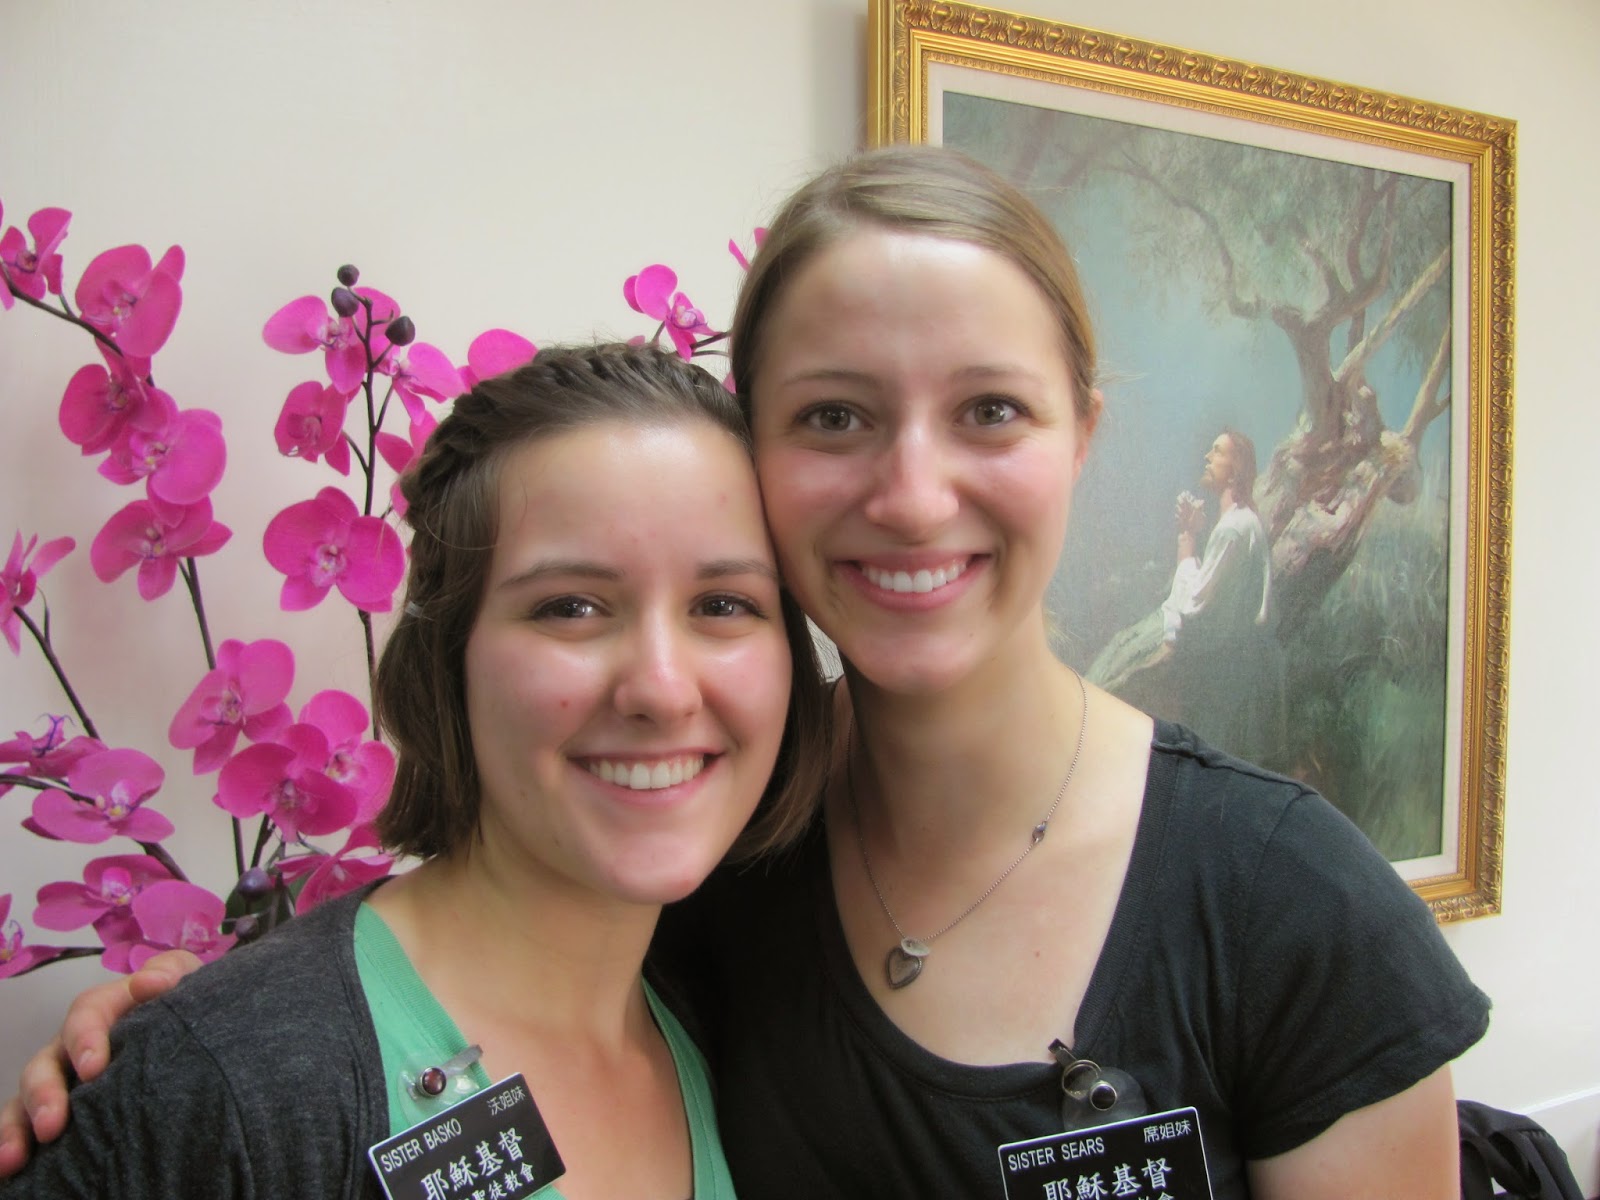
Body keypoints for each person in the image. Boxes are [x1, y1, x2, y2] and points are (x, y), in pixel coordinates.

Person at [1, 147, 1488, 1199]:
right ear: (756, 451)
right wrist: (201, 1063)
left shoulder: (1289, 909)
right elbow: (418, 999)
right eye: (834, 417)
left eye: (989, 410)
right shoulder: (708, 873)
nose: (912, 493)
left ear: (1083, 436)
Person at [0, 342, 830, 1198]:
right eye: (571, 607)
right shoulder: (230, 1087)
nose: (661, 687)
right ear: (448, 657)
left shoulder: (744, 1020)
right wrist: (181, 1074)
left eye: (723, 604)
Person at [1154, 429, 1286, 764]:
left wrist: (1186, 540)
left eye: (1217, 451)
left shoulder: (1233, 530)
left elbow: (1195, 605)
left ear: (1236, 468)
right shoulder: (1240, 523)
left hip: (1232, 679)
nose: (1207, 457)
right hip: (1242, 674)